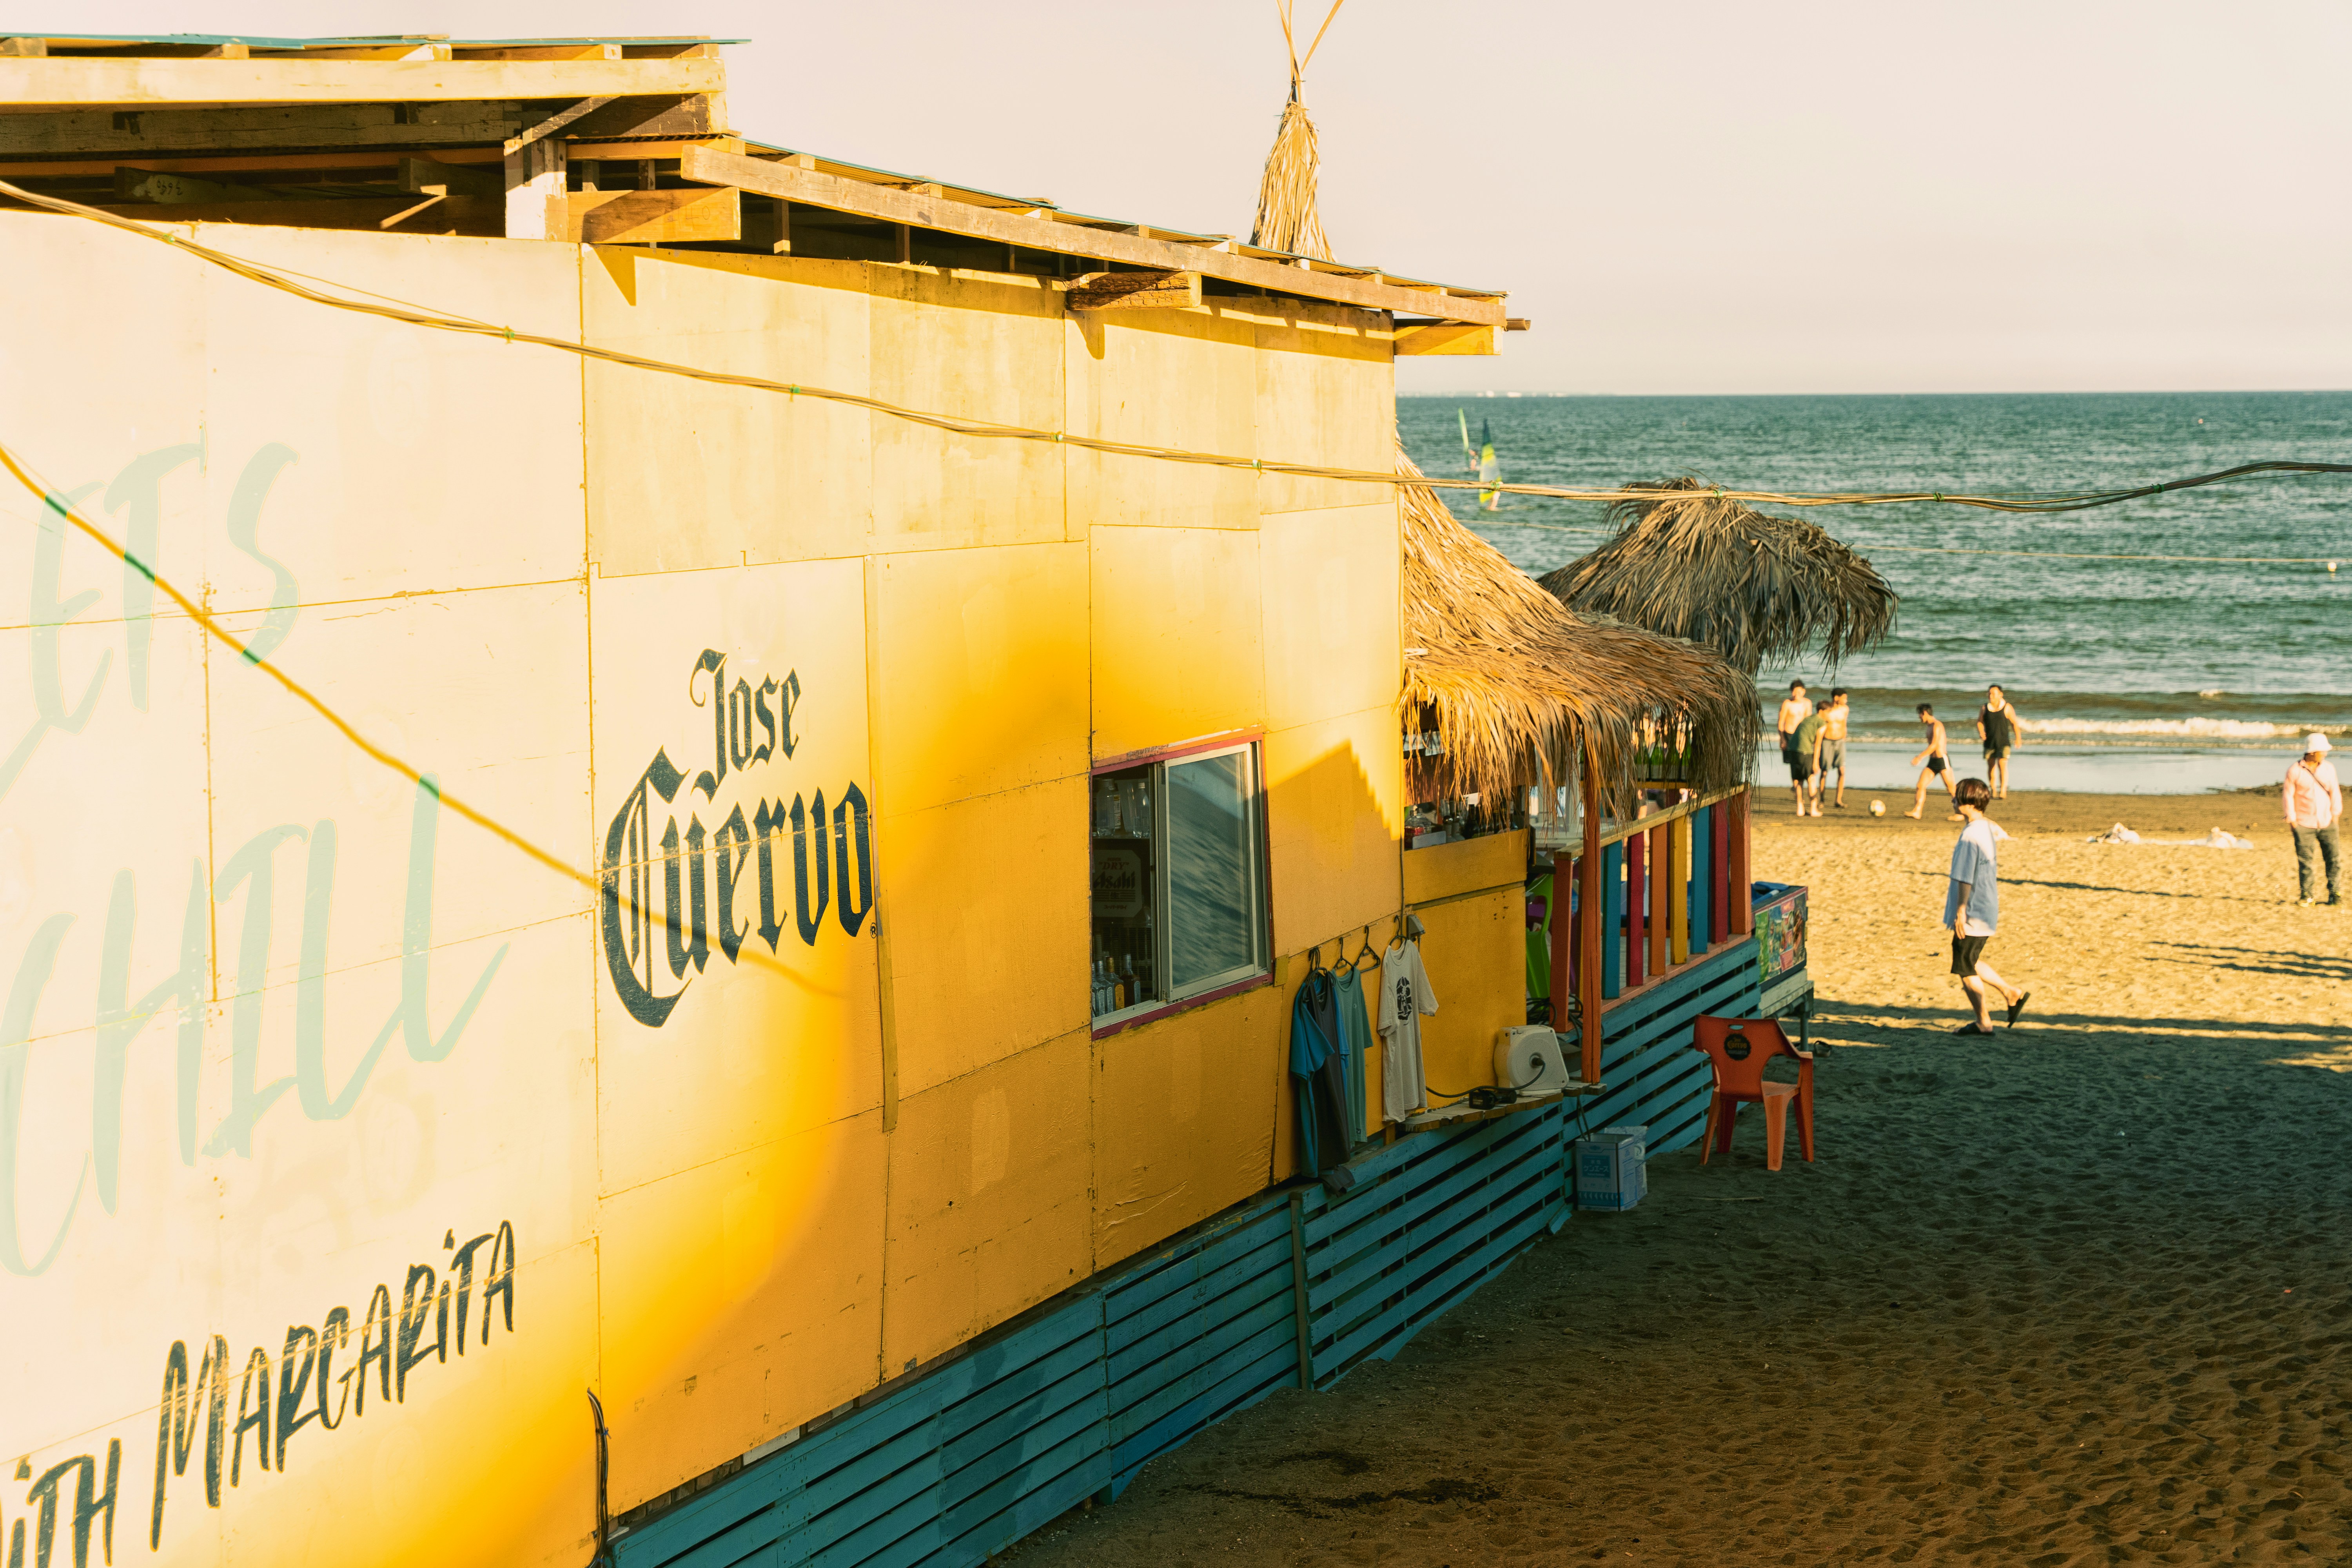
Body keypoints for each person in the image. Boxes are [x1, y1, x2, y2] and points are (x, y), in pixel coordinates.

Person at [1944, 776, 2029, 1034]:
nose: (1953, 799)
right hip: (1985, 907)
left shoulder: (1971, 835)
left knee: (1964, 966)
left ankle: (1984, 1022)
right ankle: (2011, 992)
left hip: (1974, 911)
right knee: (1970, 959)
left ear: (1968, 801)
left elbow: (1965, 877)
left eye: (1957, 795)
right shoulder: (1984, 828)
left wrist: (1961, 912)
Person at [2283, 731, 2343, 907]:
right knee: (2306, 863)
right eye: (2322, 751)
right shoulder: (2295, 771)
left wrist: (2336, 815)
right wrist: (2293, 821)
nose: (2325, 754)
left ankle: (2335, 893)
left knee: (2333, 860)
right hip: (2304, 824)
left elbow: (2335, 792)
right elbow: (2288, 796)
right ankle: (2307, 895)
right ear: (2312, 752)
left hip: (2328, 822)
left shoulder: (2329, 768)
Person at [1903, 703, 1955, 819]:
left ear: (1925, 713)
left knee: (1951, 789)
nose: (1919, 717)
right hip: (1933, 761)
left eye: (1920, 715)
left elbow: (1935, 745)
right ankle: (1917, 811)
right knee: (1921, 785)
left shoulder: (1937, 725)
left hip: (1942, 760)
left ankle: (1961, 814)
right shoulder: (1929, 727)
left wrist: (1920, 757)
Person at [1976, 684, 2023, 800]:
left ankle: (2003, 790)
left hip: (2003, 742)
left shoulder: (2007, 707)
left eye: (1993, 693)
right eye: (1989, 693)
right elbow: (1980, 722)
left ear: (2000, 695)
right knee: (1991, 766)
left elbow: (2014, 724)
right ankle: (1993, 790)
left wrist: (2018, 738)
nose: (1990, 696)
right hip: (1990, 742)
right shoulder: (1985, 708)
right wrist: (1981, 732)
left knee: (2002, 765)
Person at [1777, 681, 1813, 812]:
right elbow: (1781, 722)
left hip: (1802, 736)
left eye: (1799, 691)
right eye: (1794, 691)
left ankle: (1797, 787)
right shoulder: (1787, 703)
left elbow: (1808, 721)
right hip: (1789, 734)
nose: (1796, 694)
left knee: (1802, 760)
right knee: (1792, 762)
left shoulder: (1807, 703)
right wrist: (1782, 739)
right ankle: (1795, 786)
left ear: (1803, 691)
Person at [1791, 701, 1829, 817]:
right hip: (1805, 751)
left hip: (1793, 750)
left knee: (1799, 781)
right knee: (1811, 779)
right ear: (1822, 711)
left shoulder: (1808, 719)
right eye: (1828, 712)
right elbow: (1818, 744)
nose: (1829, 715)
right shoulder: (1822, 723)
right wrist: (1816, 763)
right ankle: (1814, 809)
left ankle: (1800, 810)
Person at [1821, 688, 1851, 808]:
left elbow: (1844, 724)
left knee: (1842, 771)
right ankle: (1822, 800)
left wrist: (1844, 738)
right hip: (1827, 741)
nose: (1846, 700)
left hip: (1840, 742)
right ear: (1836, 698)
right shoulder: (1827, 711)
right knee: (1824, 772)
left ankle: (1838, 801)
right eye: (1844, 698)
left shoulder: (1845, 709)